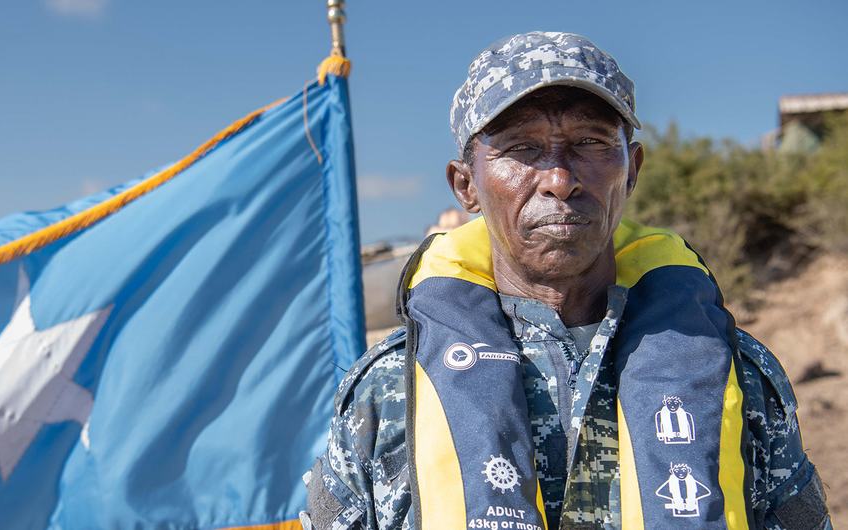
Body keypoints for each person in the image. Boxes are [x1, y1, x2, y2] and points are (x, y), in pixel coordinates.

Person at [301, 32, 831, 530]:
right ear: (466, 186)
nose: (560, 179)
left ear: (632, 170)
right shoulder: (390, 390)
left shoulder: (738, 372)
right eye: (521, 149)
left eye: (591, 143)